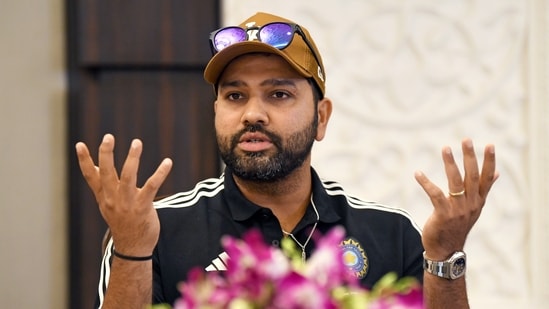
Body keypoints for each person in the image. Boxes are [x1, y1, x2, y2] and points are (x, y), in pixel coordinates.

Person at [75, 12, 498, 309]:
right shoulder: (156, 230)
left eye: (279, 94)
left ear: (322, 116)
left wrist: (444, 253)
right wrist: (131, 251)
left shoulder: (393, 235)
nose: (252, 113)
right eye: (234, 96)